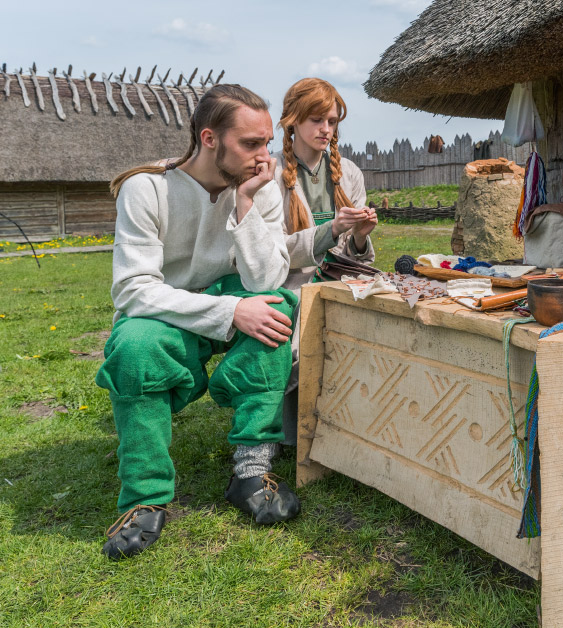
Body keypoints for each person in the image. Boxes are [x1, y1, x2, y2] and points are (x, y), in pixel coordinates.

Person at [98, 84, 301, 560]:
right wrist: (230, 312)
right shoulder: (146, 189)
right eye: (250, 144)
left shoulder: (260, 187)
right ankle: (145, 498)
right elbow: (133, 289)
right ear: (210, 138)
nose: (264, 157)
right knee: (134, 348)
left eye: (267, 143)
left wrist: (246, 204)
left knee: (277, 306)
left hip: (231, 295)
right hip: (166, 311)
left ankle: (251, 470)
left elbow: (266, 279)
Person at [272, 77, 377, 444]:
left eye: (332, 121)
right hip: (290, 283)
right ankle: (291, 430)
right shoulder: (271, 175)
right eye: (317, 120)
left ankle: (354, 424)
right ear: (292, 121)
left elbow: (353, 255)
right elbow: (270, 253)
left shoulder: (350, 173)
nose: (326, 129)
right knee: (300, 329)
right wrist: (329, 230)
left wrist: (360, 235)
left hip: (339, 280)